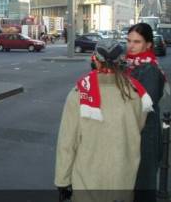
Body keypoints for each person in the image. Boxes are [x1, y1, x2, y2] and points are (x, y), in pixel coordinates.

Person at [55, 39, 152, 202]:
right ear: (122, 62)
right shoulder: (137, 94)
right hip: (122, 180)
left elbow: (67, 142)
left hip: (87, 182)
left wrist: (62, 181)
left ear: (95, 61)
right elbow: (138, 128)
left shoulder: (79, 94)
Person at [125, 23, 167, 202]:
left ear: (148, 45)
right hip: (132, 130)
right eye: (128, 41)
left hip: (145, 135)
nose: (131, 46)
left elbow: (143, 104)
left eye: (137, 42)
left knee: (143, 183)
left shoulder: (149, 68)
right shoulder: (129, 64)